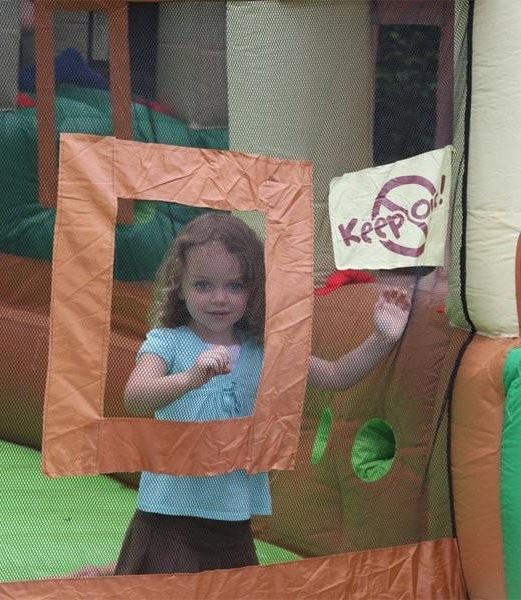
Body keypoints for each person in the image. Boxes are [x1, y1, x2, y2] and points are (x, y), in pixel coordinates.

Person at [112, 211, 411, 576]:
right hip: (167, 515)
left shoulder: (261, 350)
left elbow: (335, 375)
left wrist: (382, 337)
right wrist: (190, 378)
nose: (219, 298)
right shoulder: (169, 342)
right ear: (180, 286)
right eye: (203, 285)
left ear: (253, 291)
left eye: (235, 286)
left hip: (231, 518)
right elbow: (136, 395)